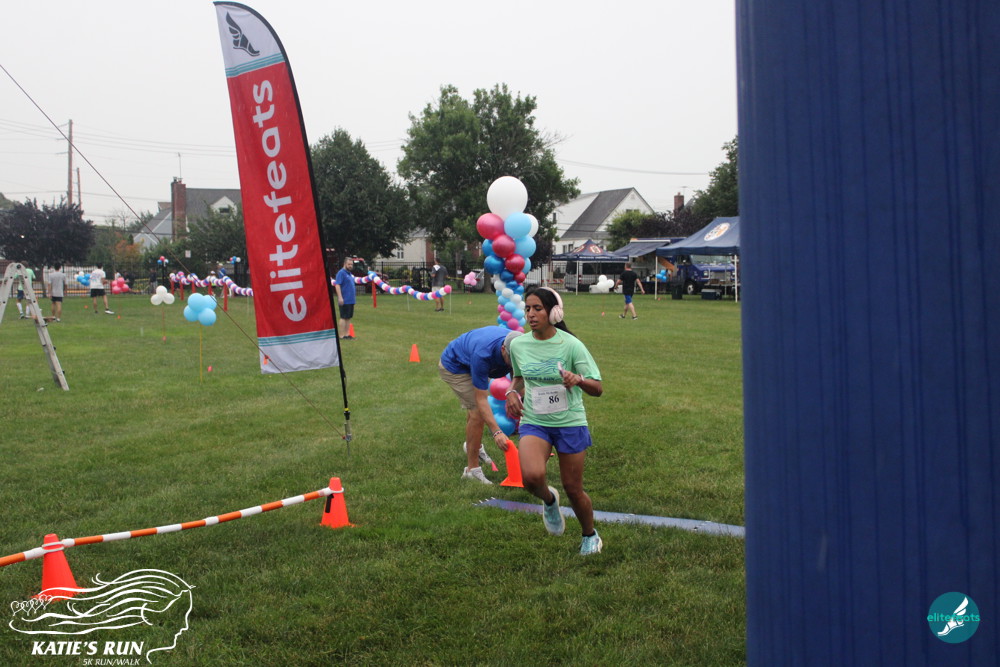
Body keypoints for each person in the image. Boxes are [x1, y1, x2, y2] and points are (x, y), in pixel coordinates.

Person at [505, 286, 605, 555]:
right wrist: (511, 392)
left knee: (573, 489)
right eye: (528, 308)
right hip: (535, 420)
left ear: (554, 313)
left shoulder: (571, 345)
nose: (530, 314)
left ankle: (590, 535)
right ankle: (549, 500)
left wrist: (578, 379)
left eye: (537, 308)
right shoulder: (518, 345)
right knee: (531, 478)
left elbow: (597, 388)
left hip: (570, 422)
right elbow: (519, 377)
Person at [439, 327, 522, 484]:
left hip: (474, 358)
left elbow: (518, 377)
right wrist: (497, 432)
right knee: (477, 411)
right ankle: (472, 470)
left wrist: (517, 396)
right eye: (512, 359)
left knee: (476, 412)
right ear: (503, 349)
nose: (515, 363)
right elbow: (481, 399)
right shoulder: (483, 355)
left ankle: (473, 447)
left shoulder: (519, 345)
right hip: (455, 366)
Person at [333, 257, 356, 339]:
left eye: (351, 264)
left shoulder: (349, 274)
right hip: (344, 299)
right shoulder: (341, 273)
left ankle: (347, 334)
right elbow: (337, 285)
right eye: (349, 264)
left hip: (351, 299)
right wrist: (340, 297)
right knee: (343, 317)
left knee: (348, 317)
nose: (350, 266)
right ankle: (341, 335)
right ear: (344, 264)